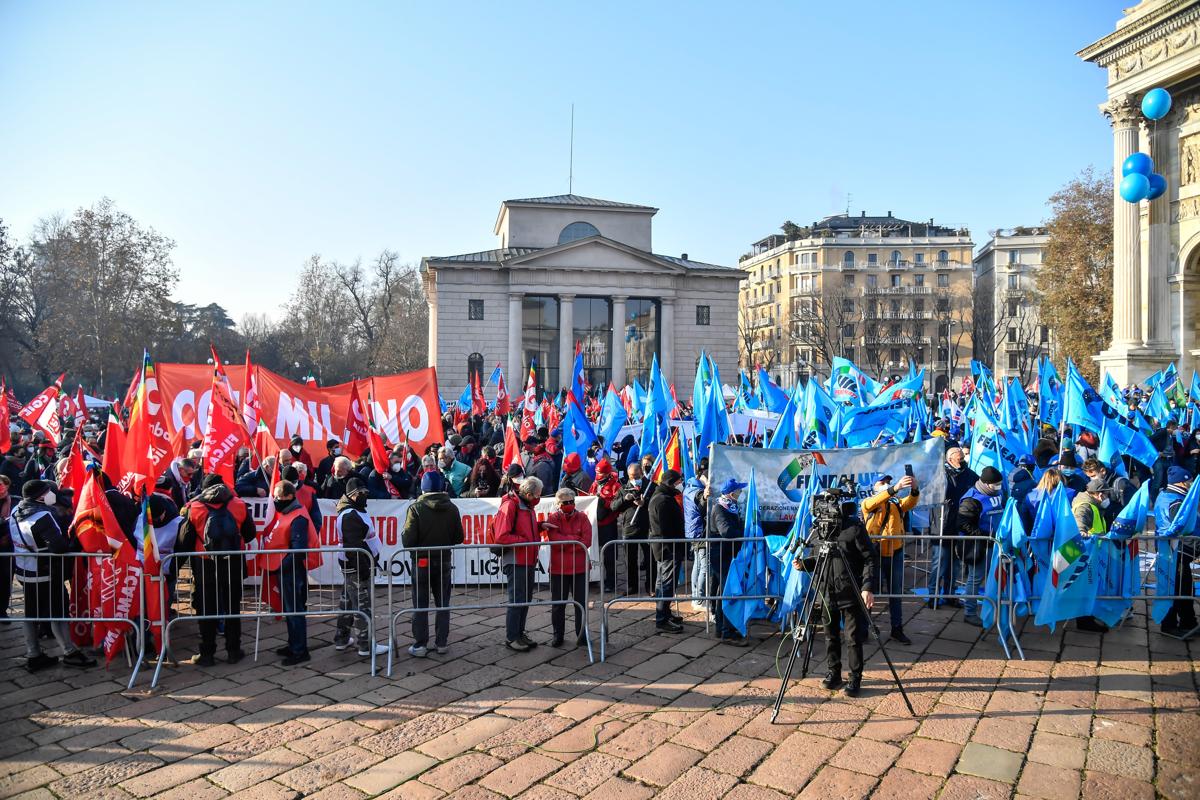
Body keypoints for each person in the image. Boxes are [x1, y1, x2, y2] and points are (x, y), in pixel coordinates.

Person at [11, 479, 96, 671]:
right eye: (49, 491)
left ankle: (34, 653)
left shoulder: (16, 511)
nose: (52, 494)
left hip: (25, 571)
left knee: (31, 614)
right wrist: (74, 544)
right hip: (46, 573)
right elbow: (58, 547)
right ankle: (69, 652)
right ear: (41, 495)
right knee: (58, 612)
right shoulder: (42, 515)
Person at [177, 474, 257, 665]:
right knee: (232, 607)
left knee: (206, 609)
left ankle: (207, 653)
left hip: (205, 564)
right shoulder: (239, 505)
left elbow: (184, 541)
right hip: (233, 562)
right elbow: (250, 533)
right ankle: (233, 650)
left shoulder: (193, 508)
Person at [808, 489, 877, 697]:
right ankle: (833, 673)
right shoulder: (820, 528)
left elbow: (870, 558)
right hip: (826, 592)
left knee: (853, 638)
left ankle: (855, 678)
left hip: (851, 592)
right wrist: (803, 564)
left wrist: (867, 588)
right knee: (830, 637)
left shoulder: (854, 528)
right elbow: (817, 557)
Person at [401, 471, 464, 656]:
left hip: (421, 561)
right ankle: (441, 643)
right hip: (444, 560)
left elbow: (408, 541)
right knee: (443, 603)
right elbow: (459, 537)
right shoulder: (452, 508)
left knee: (420, 603)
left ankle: (420, 644)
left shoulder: (416, 508)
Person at [260, 480, 320, 665]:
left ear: (289, 496)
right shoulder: (288, 513)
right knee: (290, 610)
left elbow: (297, 550)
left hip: (291, 572)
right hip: (286, 570)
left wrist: (279, 566)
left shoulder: (298, 517)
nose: (276, 500)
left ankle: (300, 651)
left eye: (278, 497)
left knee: (295, 611)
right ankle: (293, 644)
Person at [861, 473, 919, 645]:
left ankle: (897, 629)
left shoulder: (895, 502)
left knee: (896, 593)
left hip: (895, 552)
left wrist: (914, 489)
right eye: (882, 482)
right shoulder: (868, 502)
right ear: (874, 486)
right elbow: (873, 503)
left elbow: (909, 503)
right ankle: (865, 628)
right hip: (875, 555)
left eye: (888, 482)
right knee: (869, 592)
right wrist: (894, 489)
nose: (886, 484)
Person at [333, 479, 388, 657]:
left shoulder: (353, 511)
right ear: (352, 495)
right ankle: (366, 645)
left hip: (353, 566)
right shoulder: (350, 515)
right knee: (363, 606)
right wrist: (364, 569)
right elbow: (354, 546)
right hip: (357, 566)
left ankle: (341, 639)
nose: (365, 496)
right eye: (361, 493)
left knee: (348, 603)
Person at [493, 476, 542, 651]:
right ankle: (512, 637)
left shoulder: (526, 505)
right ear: (528, 494)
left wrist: (541, 526)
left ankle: (519, 633)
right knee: (517, 599)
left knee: (525, 598)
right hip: (516, 559)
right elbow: (501, 536)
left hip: (526, 558)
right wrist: (524, 541)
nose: (539, 498)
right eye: (537, 495)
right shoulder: (511, 505)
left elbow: (524, 528)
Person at [956, 465, 1005, 626]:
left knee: (990, 577)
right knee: (975, 579)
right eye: (995, 484)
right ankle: (969, 612)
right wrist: (985, 536)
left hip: (993, 543)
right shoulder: (971, 499)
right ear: (985, 483)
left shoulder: (996, 493)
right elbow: (963, 523)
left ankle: (992, 607)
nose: (998, 487)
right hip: (978, 546)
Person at [543, 488, 591, 647]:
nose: (569, 505)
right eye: (565, 502)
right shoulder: (553, 518)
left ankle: (582, 634)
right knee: (558, 605)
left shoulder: (583, 517)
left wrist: (568, 542)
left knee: (581, 604)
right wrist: (575, 540)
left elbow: (587, 541)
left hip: (580, 568)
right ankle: (558, 635)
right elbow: (555, 540)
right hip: (559, 569)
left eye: (571, 502)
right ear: (558, 504)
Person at [1154, 466, 1198, 637]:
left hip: (1175, 550)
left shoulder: (1169, 495)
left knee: (1184, 587)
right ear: (1181, 482)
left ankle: (1189, 622)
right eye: (1189, 481)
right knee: (1176, 588)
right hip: (1175, 550)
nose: (1191, 484)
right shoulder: (1176, 501)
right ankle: (1170, 624)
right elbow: (1180, 527)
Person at [931, 447, 975, 609]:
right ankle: (932, 596)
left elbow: (977, 487)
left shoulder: (968, 474)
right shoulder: (940, 473)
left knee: (954, 564)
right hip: (942, 524)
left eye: (963, 458)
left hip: (959, 524)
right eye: (959, 459)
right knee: (940, 563)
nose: (962, 461)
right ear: (950, 459)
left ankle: (950, 594)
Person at [708, 478, 750, 646]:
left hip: (725, 555)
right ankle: (727, 632)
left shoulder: (728, 507)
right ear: (732, 494)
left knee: (723, 593)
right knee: (727, 593)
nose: (741, 494)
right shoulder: (720, 509)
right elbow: (726, 531)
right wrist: (743, 531)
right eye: (739, 491)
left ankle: (722, 628)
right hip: (722, 556)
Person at [1071, 479, 1113, 633]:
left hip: (1092, 553)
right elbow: (1079, 527)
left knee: (1089, 587)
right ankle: (1084, 620)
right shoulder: (1085, 506)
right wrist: (1085, 534)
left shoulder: (1091, 504)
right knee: (1085, 588)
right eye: (1107, 493)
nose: (1108, 497)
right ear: (1099, 494)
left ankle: (1088, 615)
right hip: (1086, 555)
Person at [648, 468, 685, 634]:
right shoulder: (662, 501)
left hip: (667, 547)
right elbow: (665, 528)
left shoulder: (663, 497)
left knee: (664, 582)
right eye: (678, 482)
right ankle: (662, 618)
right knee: (666, 583)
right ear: (671, 483)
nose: (680, 485)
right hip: (668, 548)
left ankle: (665, 613)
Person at [611, 463, 655, 596]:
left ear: (641, 473)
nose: (634, 478)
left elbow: (657, 502)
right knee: (629, 559)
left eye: (636, 476)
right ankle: (632, 586)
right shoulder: (624, 488)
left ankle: (651, 586)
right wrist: (624, 499)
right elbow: (613, 506)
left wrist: (644, 502)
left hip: (648, 527)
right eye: (631, 476)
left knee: (650, 559)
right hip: (629, 528)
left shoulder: (651, 486)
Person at [590, 459, 621, 594]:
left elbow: (616, 505)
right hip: (595, 523)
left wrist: (604, 502)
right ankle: (594, 578)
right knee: (593, 553)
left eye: (601, 474)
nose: (599, 476)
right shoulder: (594, 483)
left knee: (609, 555)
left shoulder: (616, 486)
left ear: (608, 473)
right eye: (597, 473)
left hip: (608, 524)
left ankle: (611, 581)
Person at [682, 475, 708, 612]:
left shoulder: (688, 488)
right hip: (699, 532)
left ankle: (695, 596)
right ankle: (699, 599)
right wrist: (705, 492)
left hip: (693, 532)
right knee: (704, 566)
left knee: (698, 564)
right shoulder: (696, 491)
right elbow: (701, 500)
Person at [1082, 457, 1134, 524]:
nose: (1092, 480)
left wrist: (1108, 506)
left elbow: (1130, 510)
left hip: (1120, 526)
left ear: (1103, 471)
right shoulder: (1093, 486)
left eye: (1093, 476)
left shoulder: (1121, 484)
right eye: (1089, 477)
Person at [0, 475, 13, 619]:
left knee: (5, 579)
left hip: (7, 547)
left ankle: (2, 610)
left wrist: (7, 537)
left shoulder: (13, 500)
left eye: (2, 484)